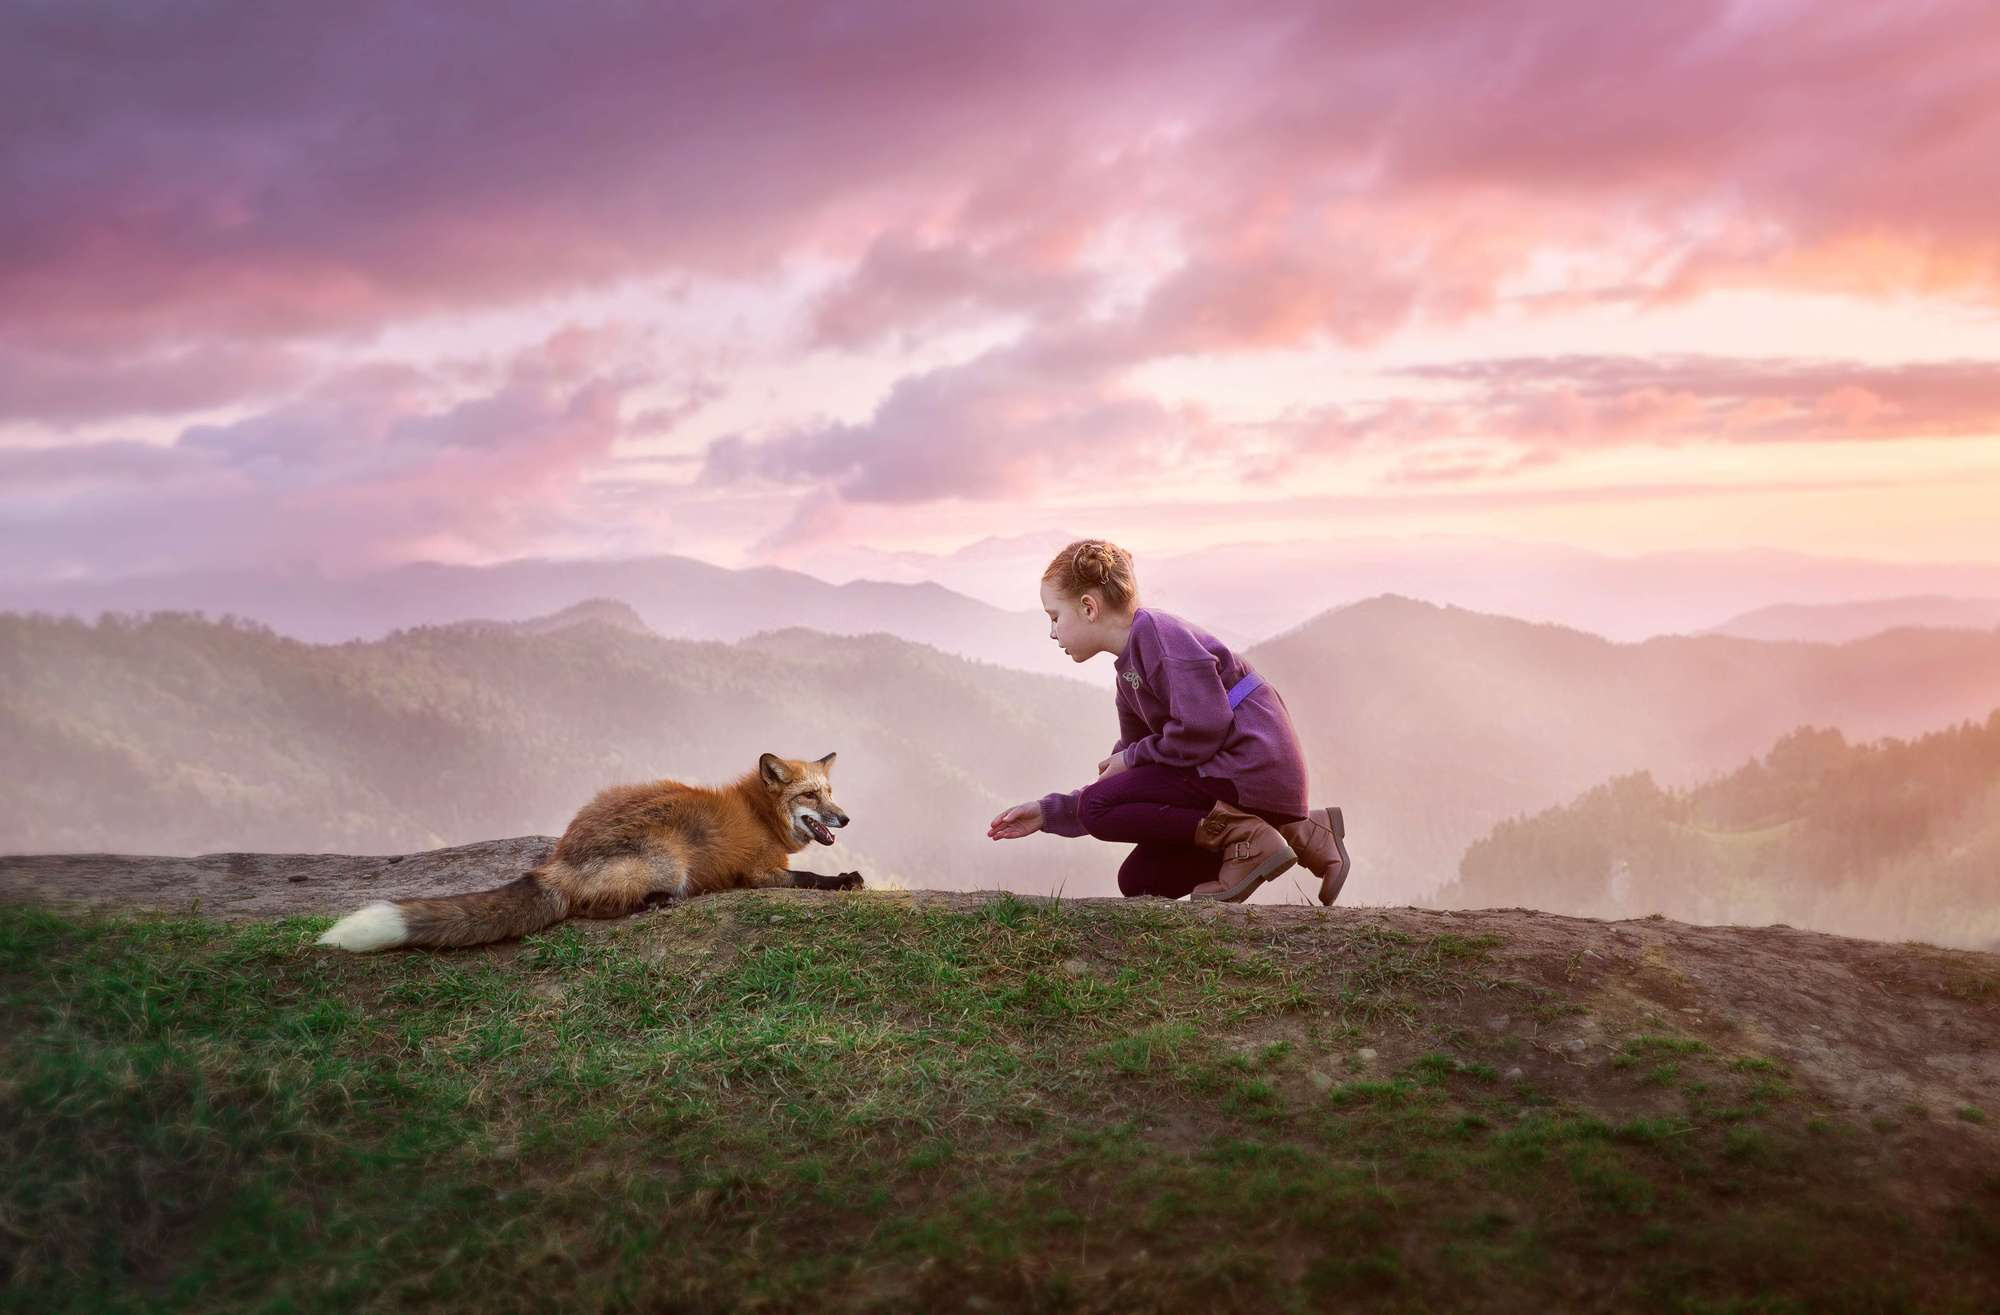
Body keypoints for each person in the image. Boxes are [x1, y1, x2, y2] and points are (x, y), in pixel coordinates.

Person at [986, 539, 1350, 903]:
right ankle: (1300, 829)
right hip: (1231, 776)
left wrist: (1130, 759)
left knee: (1097, 807)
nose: (1052, 632)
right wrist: (1049, 814)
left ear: (1088, 607)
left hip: (1251, 766)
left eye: (1054, 617)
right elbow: (1132, 778)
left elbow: (1204, 728)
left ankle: (1248, 838)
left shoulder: (1159, 638)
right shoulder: (1129, 673)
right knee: (1140, 881)